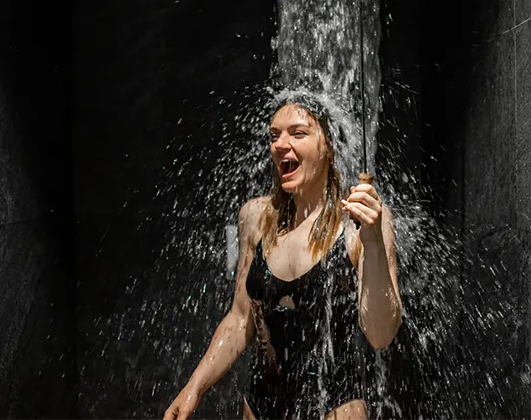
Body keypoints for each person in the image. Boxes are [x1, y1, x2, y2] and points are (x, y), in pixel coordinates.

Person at [164, 96, 402, 420]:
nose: (280, 144)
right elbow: (240, 319)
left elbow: (380, 334)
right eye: (274, 135)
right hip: (258, 409)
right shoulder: (256, 217)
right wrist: (194, 387)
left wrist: (372, 241)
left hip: (334, 409)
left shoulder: (360, 222)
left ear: (328, 146)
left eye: (298, 133)